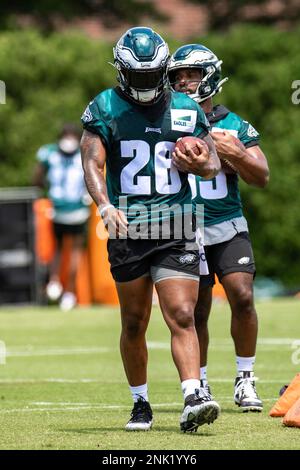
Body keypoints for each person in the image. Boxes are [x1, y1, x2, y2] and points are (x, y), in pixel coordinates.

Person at [80, 27, 221, 432]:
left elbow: (211, 164)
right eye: (136, 76)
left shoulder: (184, 108)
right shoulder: (105, 106)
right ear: (122, 72)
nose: (144, 84)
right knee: (134, 321)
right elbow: (92, 162)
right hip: (127, 225)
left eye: (150, 76)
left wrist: (199, 161)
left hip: (177, 221)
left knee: (181, 313)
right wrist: (104, 205)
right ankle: (140, 403)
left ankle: (194, 395)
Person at [168, 44, 269, 412]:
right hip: (183, 225)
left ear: (209, 75)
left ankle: (245, 378)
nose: (183, 81)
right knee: (197, 310)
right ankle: (202, 381)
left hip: (226, 222)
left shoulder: (233, 124)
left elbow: (262, 175)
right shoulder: (168, 119)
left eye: (191, 74)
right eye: (177, 75)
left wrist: (236, 154)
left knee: (242, 295)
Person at [34, 123, 91, 311]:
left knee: (61, 249)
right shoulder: (84, 152)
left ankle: (56, 283)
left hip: (66, 209)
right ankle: (64, 290)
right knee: (70, 251)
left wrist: (44, 193)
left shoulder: (49, 153)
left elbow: (37, 178)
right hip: (72, 208)